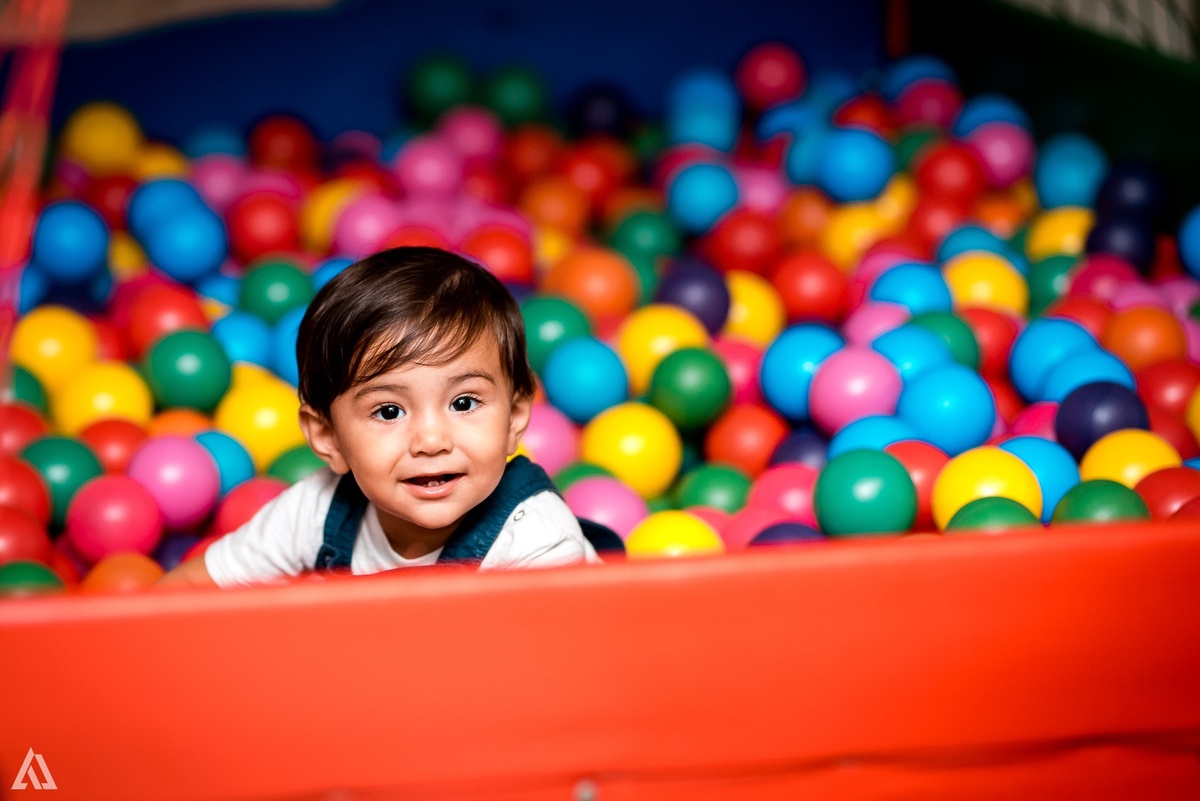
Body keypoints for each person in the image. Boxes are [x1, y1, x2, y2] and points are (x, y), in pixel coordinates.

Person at [160, 246, 603, 588]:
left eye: (464, 403)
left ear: (514, 419)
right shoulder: (317, 510)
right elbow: (195, 587)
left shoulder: (536, 544)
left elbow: (514, 691)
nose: (431, 440)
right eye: (389, 411)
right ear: (328, 437)